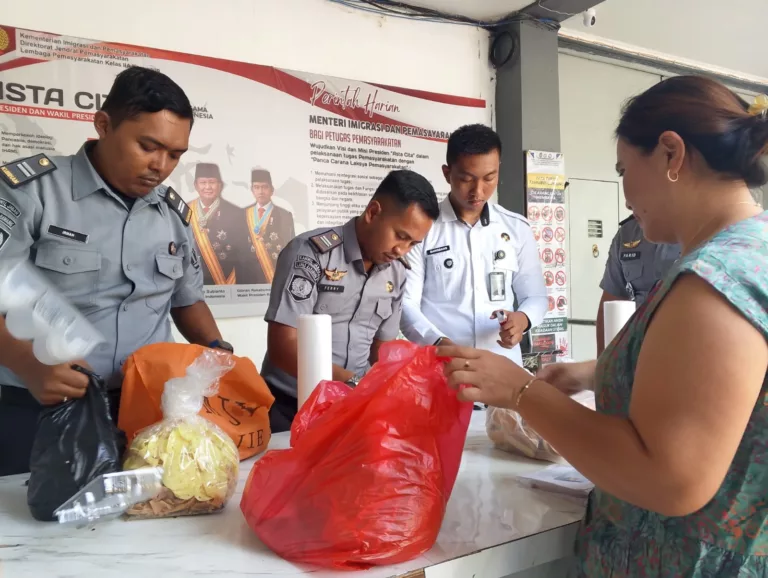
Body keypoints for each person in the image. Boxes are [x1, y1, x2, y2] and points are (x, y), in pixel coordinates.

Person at [438, 76, 768, 576]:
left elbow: (670, 479)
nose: (625, 192)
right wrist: (592, 373)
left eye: (623, 170)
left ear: (671, 154)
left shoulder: (711, 281)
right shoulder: (751, 252)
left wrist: (522, 391)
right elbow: (720, 387)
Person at [0, 66, 232, 476]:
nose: (161, 165)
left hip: (145, 407)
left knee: (150, 510)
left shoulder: (172, 214)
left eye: (175, 155)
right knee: (34, 515)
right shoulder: (32, 192)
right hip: (40, 404)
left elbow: (187, 299)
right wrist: (28, 364)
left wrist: (218, 351)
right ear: (104, 125)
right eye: (148, 146)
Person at [262, 169, 439, 432]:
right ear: (373, 213)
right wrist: (354, 383)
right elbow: (283, 346)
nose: (401, 250)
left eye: (413, 243)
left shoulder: (396, 272)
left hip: (351, 409)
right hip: (290, 406)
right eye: (400, 236)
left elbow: (382, 350)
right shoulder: (312, 253)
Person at [401, 124, 547, 367]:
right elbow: (406, 305)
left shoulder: (516, 228)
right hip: (441, 368)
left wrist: (522, 319)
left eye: (489, 178)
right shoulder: (424, 229)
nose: (478, 191)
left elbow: (536, 297)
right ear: (447, 173)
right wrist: (440, 343)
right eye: (466, 179)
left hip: (502, 368)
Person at [596, 214, 680, 354]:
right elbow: (610, 305)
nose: (627, 204)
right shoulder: (628, 233)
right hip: (636, 351)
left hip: (683, 350)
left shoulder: (703, 230)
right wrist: (603, 362)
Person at [189, 162, 255, 285]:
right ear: (196, 185)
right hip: (193, 281)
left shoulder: (237, 213)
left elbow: (243, 254)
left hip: (226, 282)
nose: (208, 187)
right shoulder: (185, 210)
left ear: (220, 185)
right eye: (203, 182)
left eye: (212, 182)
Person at [245, 169, 295, 284]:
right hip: (249, 276)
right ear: (252, 190)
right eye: (256, 187)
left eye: (265, 187)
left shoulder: (285, 215)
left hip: (275, 273)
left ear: (272, 190)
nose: (261, 191)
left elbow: (290, 247)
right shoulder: (244, 214)